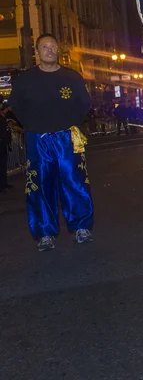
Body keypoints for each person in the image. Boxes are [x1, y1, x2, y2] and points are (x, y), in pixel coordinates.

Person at [8, 33, 94, 251]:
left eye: (53, 46)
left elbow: (85, 104)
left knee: (75, 182)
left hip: (67, 137)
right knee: (40, 186)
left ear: (58, 50)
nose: (49, 50)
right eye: (44, 47)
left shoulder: (72, 76)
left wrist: (72, 124)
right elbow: (15, 105)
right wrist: (32, 126)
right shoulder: (26, 79)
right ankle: (45, 232)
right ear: (37, 52)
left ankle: (81, 227)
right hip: (39, 139)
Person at [0, 96, 13, 193]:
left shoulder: (3, 116)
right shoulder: (1, 117)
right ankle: (2, 184)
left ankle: (4, 183)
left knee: (3, 164)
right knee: (2, 163)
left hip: (3, 142)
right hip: (1, 142)